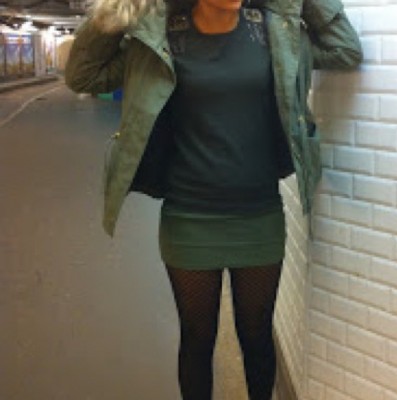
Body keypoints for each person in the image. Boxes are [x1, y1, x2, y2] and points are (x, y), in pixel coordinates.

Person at [65, 0, 362, 398]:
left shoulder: (273, 32)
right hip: (189, 216)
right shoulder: (163, 37)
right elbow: (83, 75)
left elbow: (344, 50)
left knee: (257, 334)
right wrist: (115, 9)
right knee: (197, 337)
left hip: (258, 214)